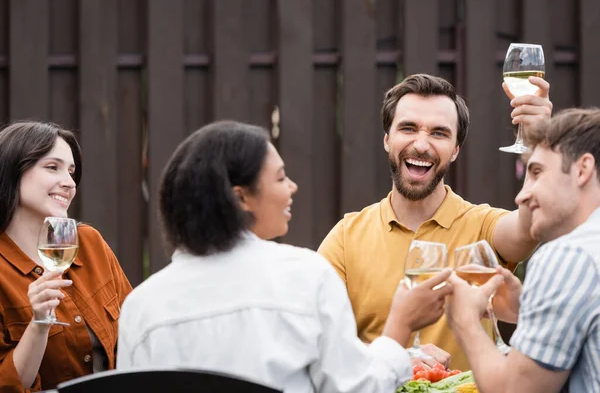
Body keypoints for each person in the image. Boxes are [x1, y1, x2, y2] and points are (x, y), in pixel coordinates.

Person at [116, 120, 454, 392]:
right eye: (280, 177)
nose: (292, 187)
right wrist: (400, 326)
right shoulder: (304, 276)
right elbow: (357, 388)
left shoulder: (141, 308)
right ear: (241, 198)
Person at [317, 73, 553, 371]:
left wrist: (541, 144)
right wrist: (395, 356)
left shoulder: (482, 225)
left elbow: (530, 224)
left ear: (455, 150)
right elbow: (317, 335)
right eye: (408, 128)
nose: (421, 144)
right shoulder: (346, 236)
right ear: (387, 140)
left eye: (439, 133)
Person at [446, 108, 600, 392]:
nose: (522, 195)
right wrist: (526, 308)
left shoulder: (569, 257)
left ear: (583, 169)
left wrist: (465, 321)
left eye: (537, 172)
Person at [0, 122, 132, 391]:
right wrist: (39, 323)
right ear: (12, 171)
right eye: (53, 167)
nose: (70, 183)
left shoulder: (89, 243)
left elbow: (134, 334)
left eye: (71, 172)